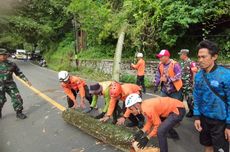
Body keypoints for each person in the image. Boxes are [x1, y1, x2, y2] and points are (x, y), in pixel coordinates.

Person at [193, 40, 230, 152]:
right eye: (199, 57)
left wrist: (229, 125)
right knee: (207, 145)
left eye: (204, 57)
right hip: (204, 119)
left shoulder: (225, 75)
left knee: (220, 150)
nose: (200, 60)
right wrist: (197, 117)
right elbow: (196, 97)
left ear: (214, 57)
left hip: (220, 122)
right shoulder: (199, 76)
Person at [0, 48, 31, 119]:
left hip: (10, 84)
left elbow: (19, 73)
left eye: (5, 55)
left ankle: (19, 112)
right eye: (1, 55)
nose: (3, 56)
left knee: (17, 97)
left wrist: (26, 80)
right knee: (1, 100)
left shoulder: (11, 64)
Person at [179, 49, 198, 117]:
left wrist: (194, 83)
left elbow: (194, 72)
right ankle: (181, 112)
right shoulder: (181, 63)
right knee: (181, 98)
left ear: (184, 54)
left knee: (190, 98)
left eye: (180, 54)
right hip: (181, 84)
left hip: (188, 84)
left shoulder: (191, 62)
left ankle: (193, 111)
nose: (180, 56)